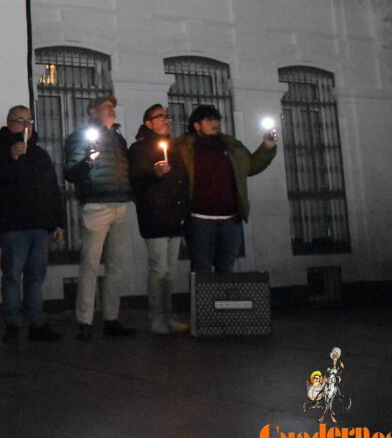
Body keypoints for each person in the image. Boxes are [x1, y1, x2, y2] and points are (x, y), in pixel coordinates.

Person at [0, 105, 64, 344]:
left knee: (36, 277)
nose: (27, 125)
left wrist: (57, 221)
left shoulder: (39, 155)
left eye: (30, 120)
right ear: (9, 123)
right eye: (21, 120)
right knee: (12, 276)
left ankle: (37, 323)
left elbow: (52, 189)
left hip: (39, 225)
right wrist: (12, 158)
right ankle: (13, 324)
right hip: (12, 226)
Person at [63, 95, 135, 340]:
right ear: (93, 111)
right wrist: (87, 161)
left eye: (113, 106)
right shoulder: (80, 137)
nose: (112, 110)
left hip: (121, 205)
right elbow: (71, 173)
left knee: (116, 266)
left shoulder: (118, 139)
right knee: (90, 265)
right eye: (106, 107)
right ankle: (84, 321)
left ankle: (111, 318)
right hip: (96, 206)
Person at [174, 105, 276, 273]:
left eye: (216, 119)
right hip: (199, 221)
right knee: (201, 270)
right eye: (209, 120)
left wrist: (268, 147)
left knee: (226, 269)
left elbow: (251, 166)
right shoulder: (184, 148)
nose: (215, 123)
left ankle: (222, 300)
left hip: (231, 220)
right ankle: (202, 300)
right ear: (197, 125)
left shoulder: (231, 145)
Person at [128, 104, 189, 335]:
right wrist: (154, 173)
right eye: (159, 116)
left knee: (171, 271)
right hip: (155, 216)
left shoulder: (173, 147)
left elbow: (181, 180)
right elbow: (136, 180)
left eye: (167, 116)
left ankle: (168, 315)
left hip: (174, 216)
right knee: (159, 269)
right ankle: (156, 318)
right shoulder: (139, 148)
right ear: (148, 123)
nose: (166, 120)